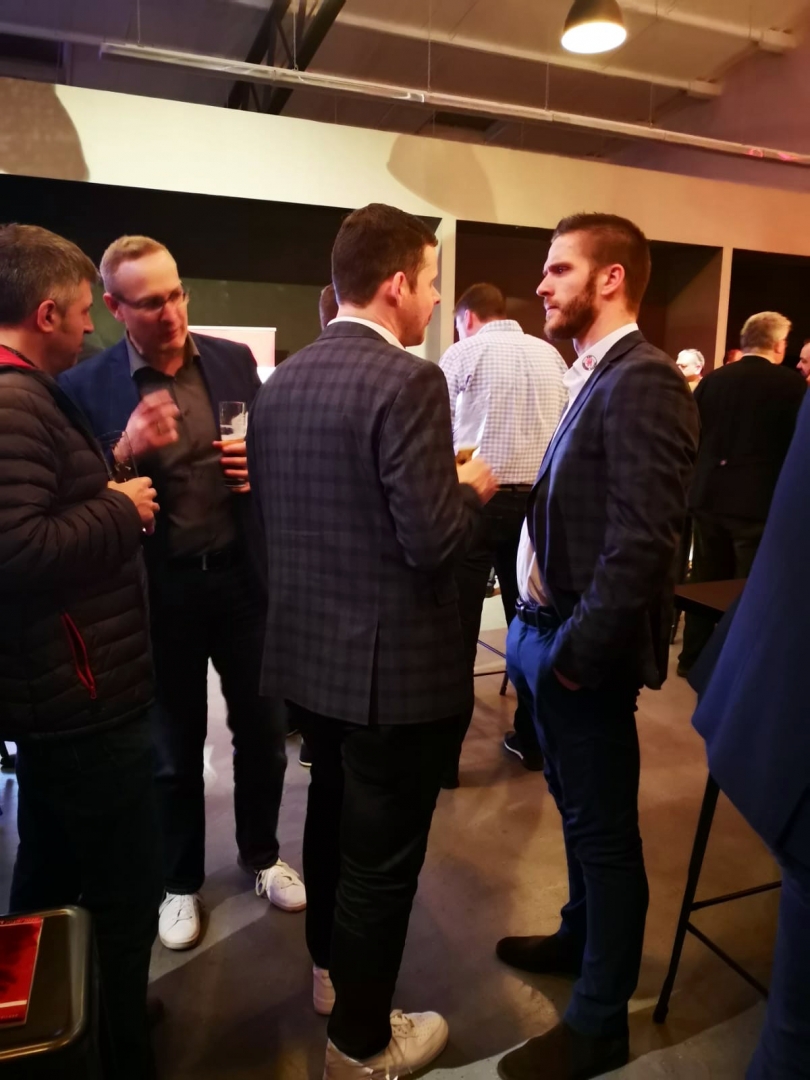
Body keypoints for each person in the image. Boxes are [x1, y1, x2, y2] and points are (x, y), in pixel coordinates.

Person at [248, 203, 497, 1080]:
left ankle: (331, 979)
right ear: (396, 284)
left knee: (327, 820)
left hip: (311, 657)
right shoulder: (409, 381)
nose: (433, 302)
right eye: (430, 284)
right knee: (381, 865)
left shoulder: (281, 386)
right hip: (393, 673)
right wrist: (470, 490)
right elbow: (430, 541)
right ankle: (360, 1046)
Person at [59, 235, 304, 952]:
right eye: (149, 303)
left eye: (176, 295)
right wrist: (123, 451)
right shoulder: (87, 386)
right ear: (113, 307)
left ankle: (261, 855)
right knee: (173, 751)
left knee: (263, 735)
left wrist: (257, 461)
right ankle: (178, 881)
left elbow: (271, 447)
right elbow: (72, 498)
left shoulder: (229, 361)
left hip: (241, 580)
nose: (170, 313)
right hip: (156, 589)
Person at [496, 213, 699, 1080]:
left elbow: (645, 542)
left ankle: (599, 1019)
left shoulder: (644, 379)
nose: (541, 284)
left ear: (611, 278)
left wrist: (575, 658)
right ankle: (580, 939)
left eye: (558, 268)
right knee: (579, 816)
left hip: (578, 652)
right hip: (545, 636)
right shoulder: (595, 373)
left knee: (604, 834)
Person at [0, 224, 162, 1078]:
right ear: (46, 312)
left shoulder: (25, 395)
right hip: (82, 698)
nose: (91, 328)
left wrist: (112, 462)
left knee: (50, 871)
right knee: (125, 887)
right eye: (82, 313)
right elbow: (16, 548)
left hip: (65, 692)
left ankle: (56, 1022)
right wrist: (121, 507)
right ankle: (122, 1048)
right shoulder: (14, 401)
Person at [691, 393, 810, 1079]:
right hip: (787, 711)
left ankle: (688, 653)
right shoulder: (785, 391)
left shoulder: (716, 385)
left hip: (765, 685)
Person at [439, 283, 567, 782]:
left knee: (457, 631)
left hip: (475, 501)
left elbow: (438, 431)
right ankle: (533, 742)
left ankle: (446, 761)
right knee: (531, 623)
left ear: (468, 318)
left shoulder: (462, 354)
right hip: (536, 508)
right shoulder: (551, 356)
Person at [678, 311, 806, 676]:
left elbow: (692, 436)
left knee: (704, 582)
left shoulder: (712, 382)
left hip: (707, 498)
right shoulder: (792, 387)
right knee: (748, 589)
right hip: (757, 504)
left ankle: (691, 659)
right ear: (778, 345)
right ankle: (732, 665)